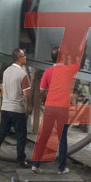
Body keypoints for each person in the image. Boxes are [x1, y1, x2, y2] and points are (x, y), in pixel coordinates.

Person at [31, 46, 80, 175]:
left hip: (50, 108)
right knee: (62, 138)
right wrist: (83, 47)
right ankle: (61, 168)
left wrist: (47, 100)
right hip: (63, 109)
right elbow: (80, 62)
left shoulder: (47, 72)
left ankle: (36, 164)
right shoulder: (68, 70)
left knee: (44, 136)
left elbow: (41, 91)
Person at [0, 48, 32, 169]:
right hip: (17, 109)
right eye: (24, 56)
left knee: (2, 133)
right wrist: (29, 106)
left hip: (5, 108)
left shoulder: (6, 71)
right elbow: (26, 94)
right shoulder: (22, 74)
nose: (25, 57)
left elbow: (3, 89)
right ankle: (20, 161)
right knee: (21, 136)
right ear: (19, 58)